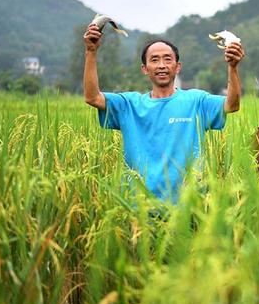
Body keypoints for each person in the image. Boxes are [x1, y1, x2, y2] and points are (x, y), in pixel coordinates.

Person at [83, 23, 245, 202]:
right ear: (145, 69)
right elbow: (92, 98)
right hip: (138, 207)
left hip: (188, 206)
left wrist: (233, 67)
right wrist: (91, 52)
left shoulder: (196, 101)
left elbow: (232, 105)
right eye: (154, 60)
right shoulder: (129, 104)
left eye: (168, 59)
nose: (161, 65)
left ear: (177, 67)